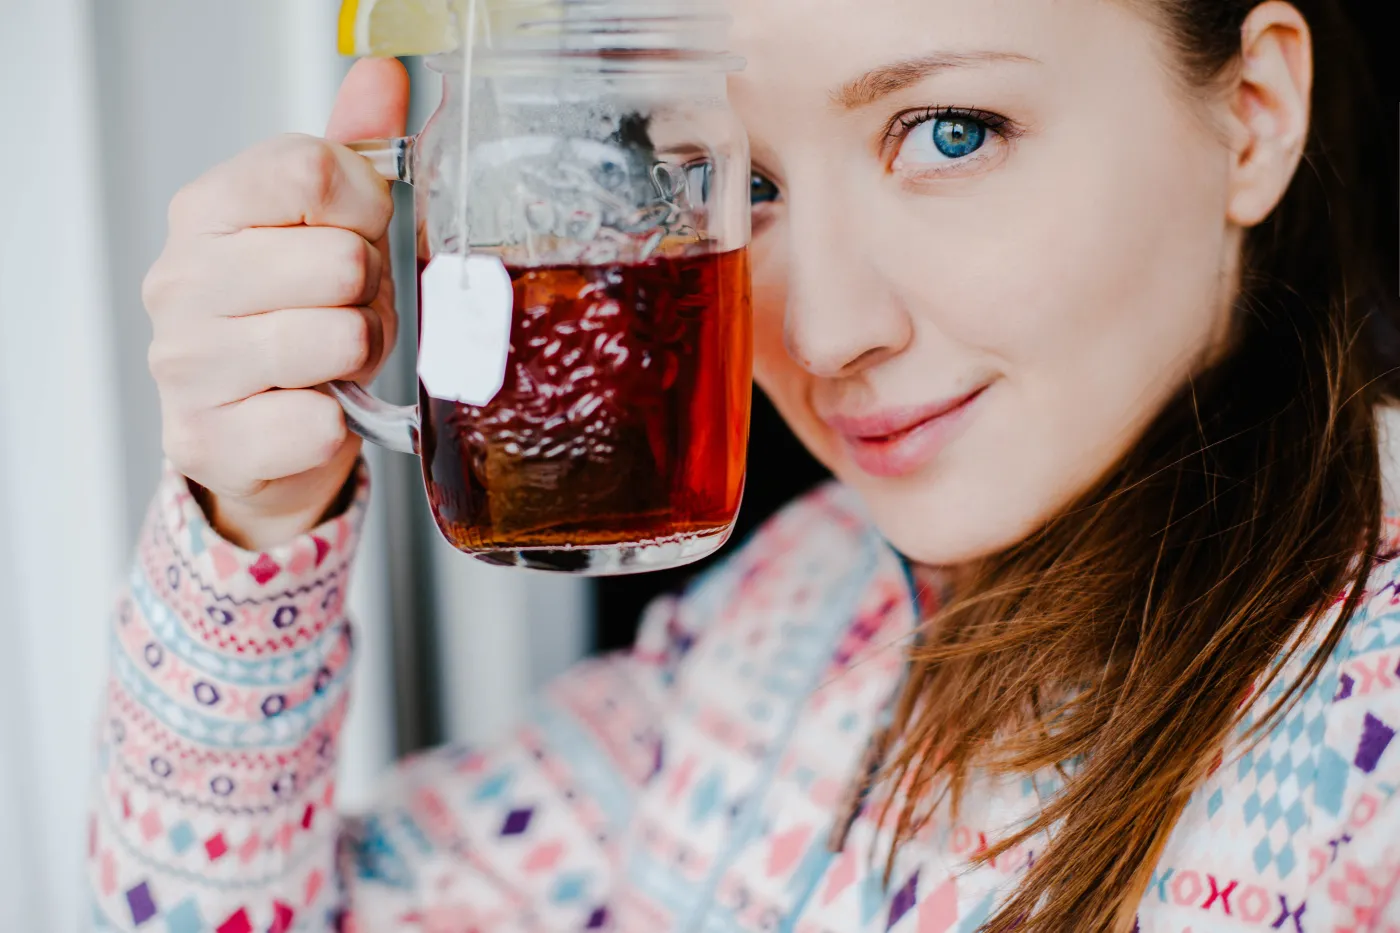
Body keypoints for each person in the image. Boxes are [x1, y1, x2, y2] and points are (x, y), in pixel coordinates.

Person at [87, 0, 1400, 929]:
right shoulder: (786, 617)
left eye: (950, 131)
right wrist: (257, 524)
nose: (826, 332)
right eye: (746, 182)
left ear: (1252, 115)